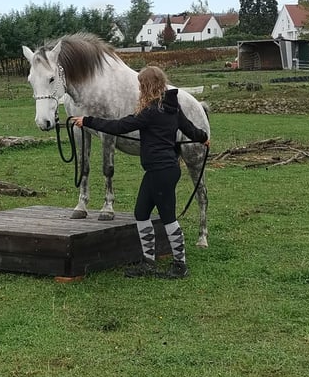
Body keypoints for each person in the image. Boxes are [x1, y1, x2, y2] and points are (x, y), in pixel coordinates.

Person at [71, 65, 209, 279]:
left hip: (161, 172)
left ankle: (180, 265)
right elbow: (190, 129)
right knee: (141, 213)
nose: (139, 89)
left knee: (168, 218)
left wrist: (87, 121)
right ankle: (148, 261)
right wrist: (203, 137)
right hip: (157, 171)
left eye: (141, 85)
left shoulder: (150, 112)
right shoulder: (173, 108)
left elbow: (120, 126)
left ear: (148, 87)